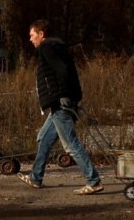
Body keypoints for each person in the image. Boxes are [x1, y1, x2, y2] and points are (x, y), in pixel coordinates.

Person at [17, 19, 103, 194]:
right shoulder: (57, 47)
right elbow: (66, 71)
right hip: (61, 102)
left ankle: (93, 181)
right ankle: (36, 177)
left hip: (60, 103)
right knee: (44, 138)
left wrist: (64, 95)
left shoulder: (46, 48)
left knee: (71, 144)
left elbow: (62, 70)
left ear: (41, 34)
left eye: (32, 35)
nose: (31, 39)